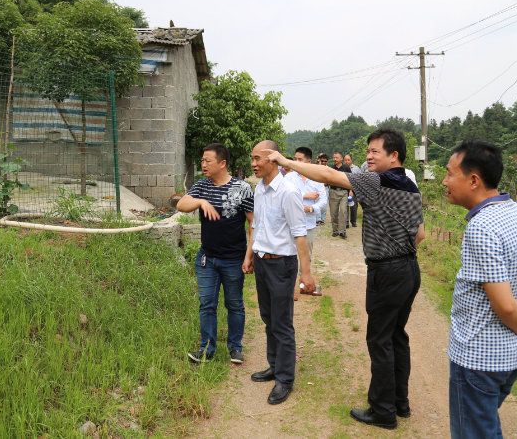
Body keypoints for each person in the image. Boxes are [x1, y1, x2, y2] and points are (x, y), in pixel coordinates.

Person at [262, 128, 425, 429]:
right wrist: (399, 254)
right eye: (368, 150)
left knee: (380, 341)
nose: (369, 155)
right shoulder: (410, 184)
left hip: (387, 273)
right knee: (396, 336)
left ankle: (383, 410)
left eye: (376, 151)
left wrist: (287, 161)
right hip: (408, 270)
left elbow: (327, 176)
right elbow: (420, 234)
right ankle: (399, 402)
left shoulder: (378, 181)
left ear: (394, 156)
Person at [441, 140, 517, 439]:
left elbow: (507, 305)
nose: (444, 181)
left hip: (478, 361)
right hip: (506, 359)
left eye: (449, 174)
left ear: (473, 180)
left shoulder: (482, 227)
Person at [242, 140, 315, 405]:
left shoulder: (288, 191)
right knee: (268, 318)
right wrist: (250, 255)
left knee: (282, 323)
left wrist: (305, 274)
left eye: (258, 158)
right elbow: (257, 226)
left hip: (282, 265)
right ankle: (274, 365)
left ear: (273, 159)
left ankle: (285, 379)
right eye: (252, 158)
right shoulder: (259, 190)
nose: (253, 163)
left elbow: (300, 234)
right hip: (262, 262)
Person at [177, 143, 254, 365]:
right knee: (207, 304)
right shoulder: (202, 186)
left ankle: (235, 347)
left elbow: (253, 223)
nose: (203, 164)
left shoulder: (243, 188)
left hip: (234, 259)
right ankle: (207, 349)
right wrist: (201, 201)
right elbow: (182, 204)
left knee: (234, 304)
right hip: (206, 259)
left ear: (222, 163)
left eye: (207, 160)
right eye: (202, 160)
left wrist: (249, 255)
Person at [290, 146, 327, 301]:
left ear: (309, 161)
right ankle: (289, 288)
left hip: (309, 223)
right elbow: (285, 195)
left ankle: (303, 284)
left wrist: (311, 207)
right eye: (295, 159)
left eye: (300, 159)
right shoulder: (289, 177)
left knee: (307, 256)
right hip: (291, 223)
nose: (296, 162)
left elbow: (323, 199)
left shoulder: (316, 177)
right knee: (290, 256)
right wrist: (306, 195)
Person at [328, 151, 351, 239]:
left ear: (341, 158)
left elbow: (350, 180)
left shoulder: (346, 168)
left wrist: (351, 191)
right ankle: (335, 230)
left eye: (336, 157)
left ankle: (342, 231)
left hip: (344, 192)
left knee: (343, 211)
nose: (335, 159)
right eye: (333, 157)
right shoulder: (331, 168)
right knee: (333, 213)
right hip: (333, 191)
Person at [344, 154, 361, 228]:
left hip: (354, 190)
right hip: (345, 189)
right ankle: (346, 222)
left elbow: (360, 178)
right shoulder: (342, 168)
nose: (347, 161)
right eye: (345, 160)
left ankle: (353, 221)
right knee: (345, 206)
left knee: (354, 206)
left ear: (351, 160)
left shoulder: (356, 168)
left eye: (348, 160)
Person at [317, 154, 329, 224]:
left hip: (325, 187)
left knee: (324, 203)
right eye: (322, 161)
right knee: (317, 202)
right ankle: (318, 219)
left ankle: (322, 219)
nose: (323, 162)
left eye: (325, 161)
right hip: (317, 187)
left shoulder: (328, 169)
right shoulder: (316, 167)